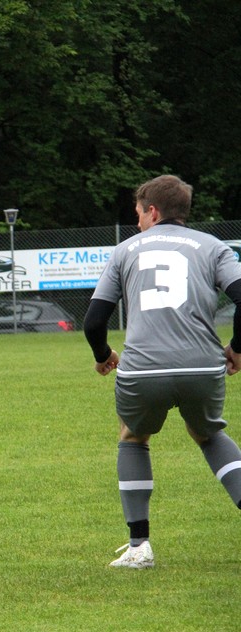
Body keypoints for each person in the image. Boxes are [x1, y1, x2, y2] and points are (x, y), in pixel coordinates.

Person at [84, 174, 241, 568]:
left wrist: (103, 354)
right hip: (203, 365)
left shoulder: (124, 251)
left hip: (143, 369)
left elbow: (94, 320)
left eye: (138, 213)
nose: (137, 221)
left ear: (152, 211)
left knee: (133, 436)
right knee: (208, 435)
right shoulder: (214, 247)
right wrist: (238, 348)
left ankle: (139, 547)